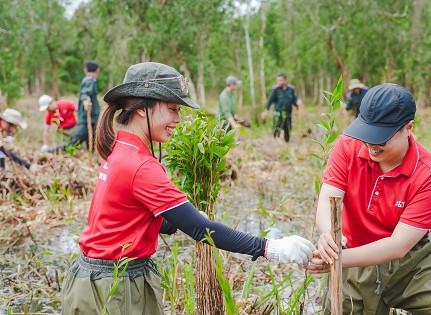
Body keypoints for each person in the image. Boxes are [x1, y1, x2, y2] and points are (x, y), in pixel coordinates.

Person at [61, 62, 315, 314]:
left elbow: (128, 216)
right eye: (172, 109)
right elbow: (201, 230)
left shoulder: (121, 149)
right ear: (142, 108)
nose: (178, 119)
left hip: (98, 278)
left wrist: (175, 223)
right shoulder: (140, 165)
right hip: (113, 288)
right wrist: (272, 248)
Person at [305, 84, 431, 314]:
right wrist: (328, 236)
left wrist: (338, 259)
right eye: (366, 133)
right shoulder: (348, 144)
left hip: (413, 264)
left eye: (380, 137)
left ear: (408, 127)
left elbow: (399, 245)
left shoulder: (430, 175)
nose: (371, 144)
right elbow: (328, 199)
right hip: (353, 255)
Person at [52, 61, 100, 153]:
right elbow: (84, 94)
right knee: (75, 141)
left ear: (85, 70)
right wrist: (86, 101)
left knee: (92, 140)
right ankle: (53, 151)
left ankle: (90, 156)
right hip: (87, 119)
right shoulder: (89, 80)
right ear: (97, 70)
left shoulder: (89, 80)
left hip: (91, 118)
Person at [264, 73, 302, 142]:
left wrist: (297, 103)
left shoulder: (290, 89)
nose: (279, 82)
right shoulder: (275, 90)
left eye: (281, 80)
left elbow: (294, 99)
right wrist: (266, 110)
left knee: (288, 129)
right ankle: (276, 142)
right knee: (277, 128)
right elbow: (270, 100)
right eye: (278, 80)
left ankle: (286, 143)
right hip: (278, 114)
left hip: (288, 114)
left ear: (285, 80)